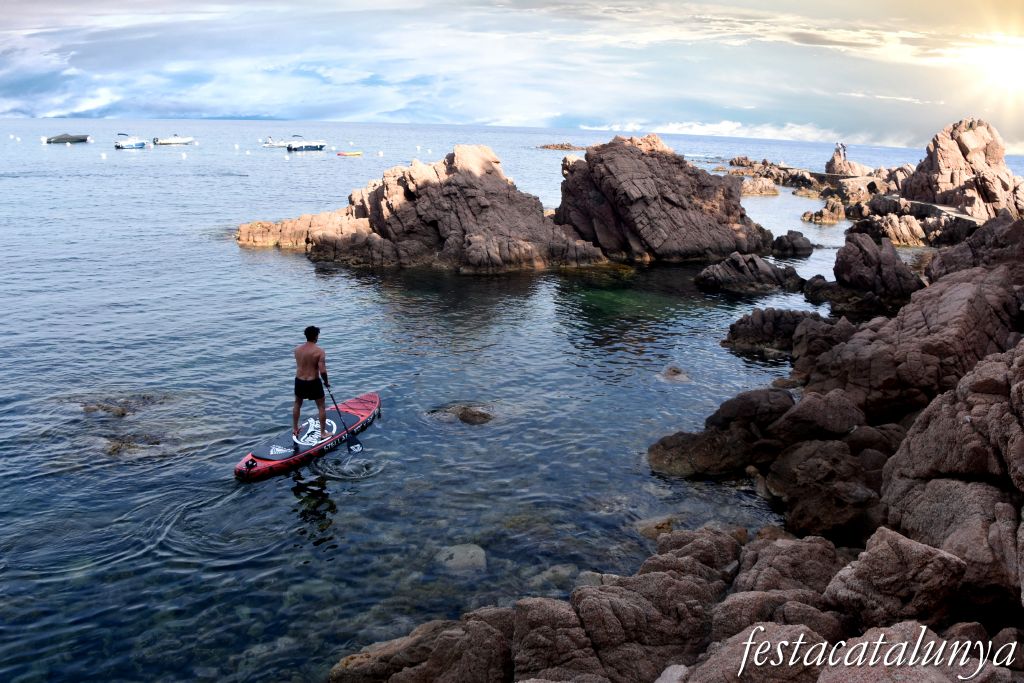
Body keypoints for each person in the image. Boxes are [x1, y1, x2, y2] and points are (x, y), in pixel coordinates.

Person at [293, 325, 333, 442]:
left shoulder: (297, 349)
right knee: (321, 406)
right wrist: (326, 382)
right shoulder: (319, 351)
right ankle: (322, 433)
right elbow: (323, 370)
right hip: (313, 382)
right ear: (316, 336)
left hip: (299, 381)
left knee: (297, 403)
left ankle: (295, 428)